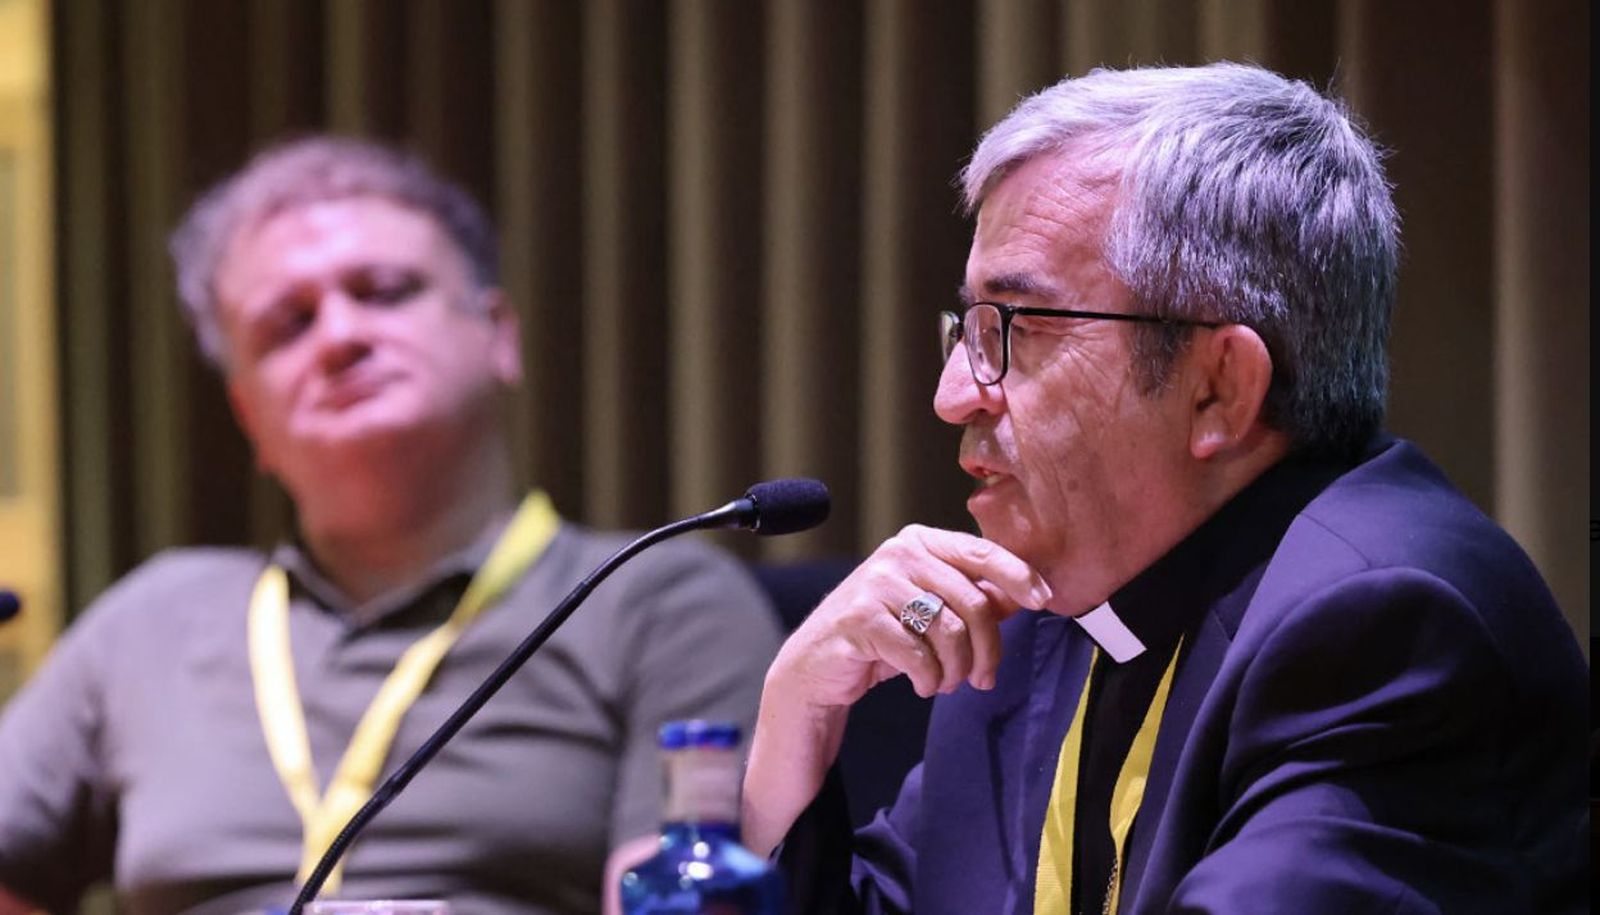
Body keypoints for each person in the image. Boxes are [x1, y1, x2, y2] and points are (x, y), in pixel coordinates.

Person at [741, 62, 1587, 914]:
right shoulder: (1046, 613)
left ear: (1218, 385)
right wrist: (795, 716)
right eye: (969, 325)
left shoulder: (1386, 630)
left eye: (1019, 327)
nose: (953, 392)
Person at [0, 138, 783, 915]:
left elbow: (685, 895)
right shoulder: (152, 621)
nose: (339, 336)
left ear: (498, 333)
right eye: (288, 322)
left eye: (382, 290)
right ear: (248, 415)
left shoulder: (657, 598)